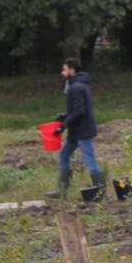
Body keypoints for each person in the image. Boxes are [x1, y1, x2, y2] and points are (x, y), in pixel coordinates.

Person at [45, 58, 106, 199]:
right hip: (76, 130)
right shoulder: (78, 85)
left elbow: (79, 111)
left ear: (72, 70)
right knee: (64, 155)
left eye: (65, 69)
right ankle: (62, 190)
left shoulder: (77, 87)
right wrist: (65, 117)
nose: (62, 72)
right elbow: (77, 109)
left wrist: (63, 125)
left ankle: (102, 192)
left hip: (83, 131)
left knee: (89, 160)